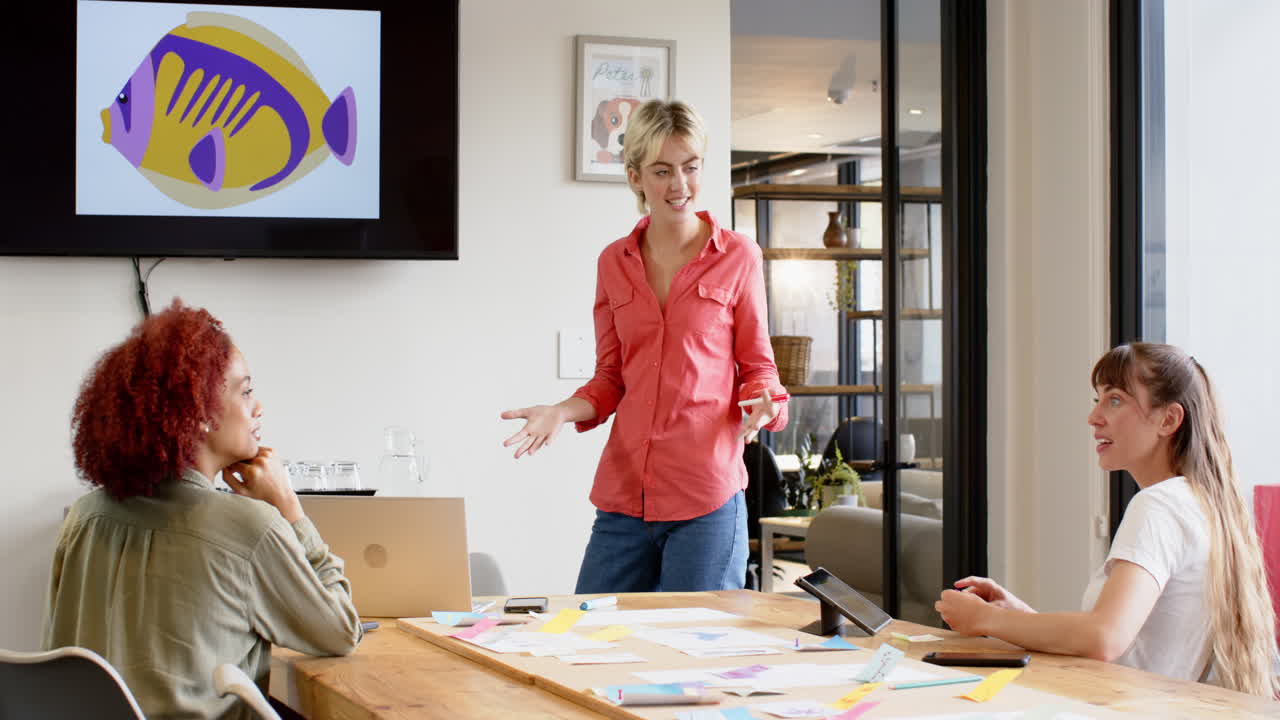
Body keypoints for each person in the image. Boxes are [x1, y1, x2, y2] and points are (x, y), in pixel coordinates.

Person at [500, 100, 789, 593]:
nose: (679, 185)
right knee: (589, 642)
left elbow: (759, 367)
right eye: (662, 171)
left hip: (706, 499)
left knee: (691, 655)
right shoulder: (614, 261)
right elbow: (611, 377)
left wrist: (764, 408)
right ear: (635, 177)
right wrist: (560, 412)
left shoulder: (738, 255)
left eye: (690, 167)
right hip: (624, 498)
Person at [44, 300, 362, 719]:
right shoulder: (251, 528)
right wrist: (290, 511)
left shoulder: (82, 517)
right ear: (199, 413)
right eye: (246, 391)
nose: (258, 407)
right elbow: (340, 630)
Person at [936, 343, 1277, 696]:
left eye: (1114, 400)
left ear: (1169, 420)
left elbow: (1105, 637)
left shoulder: (1159, 506)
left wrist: (987, 620)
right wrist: (1018, 616)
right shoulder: (1198, 503)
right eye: (1097, 399)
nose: (1094, 417)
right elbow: (1137, 646)